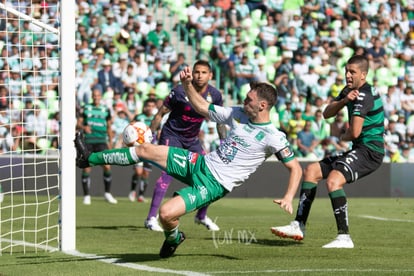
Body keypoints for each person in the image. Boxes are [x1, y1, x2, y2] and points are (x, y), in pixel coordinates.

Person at [74, 75, 303, 258]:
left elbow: (296, 168)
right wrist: (186, 85)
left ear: (263, 105)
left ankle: (173, 238)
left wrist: (288, 196)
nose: (244, 101)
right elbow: (203, 107)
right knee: (146, 149)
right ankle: (88, 158)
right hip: (200, 163)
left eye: (249, 99)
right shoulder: (238, 114)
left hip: (214, 184)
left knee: (166, 214)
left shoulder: (274, 137)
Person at [271, 55, 385, 248]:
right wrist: (343, 101)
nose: (348, 75)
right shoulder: (350, 91)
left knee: (333, 180)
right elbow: (326, 113)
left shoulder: (364, 96)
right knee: (311, 171)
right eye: (347, 71)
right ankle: (299, 225)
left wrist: (342, 137)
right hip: (360, 149)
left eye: (352, 72)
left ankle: (344, 237)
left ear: (363, 75)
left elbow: (355, 132)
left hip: (370, 152)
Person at [145, 60, 227, 232]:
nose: (199, 75)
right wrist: (151, 135)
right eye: (197, 72)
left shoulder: (215, 95)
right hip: (172, 135)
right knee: (167, 173)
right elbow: (160, 114)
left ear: (210, 75)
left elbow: (220, 121)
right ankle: (151, 218)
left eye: (204, 72)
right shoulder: (179, 91)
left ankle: (201, 215)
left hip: (192, 140)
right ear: (192, 73)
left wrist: (224, 142)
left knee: (210, 175)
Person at [76, 88, 117, 205]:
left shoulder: (105, 110)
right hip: (88, 141)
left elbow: (109, 127)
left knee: (107, 166)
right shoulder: (86, 108)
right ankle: (86, 195)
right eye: (94, 95)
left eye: (98, 95)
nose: (96, 97)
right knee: (87, 167)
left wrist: (110, 142)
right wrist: (84, 128)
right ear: (92, 96)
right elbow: (79, 123)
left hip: (101, 141)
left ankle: (107, 193)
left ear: (101, 97)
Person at [129, 98, 158, 203]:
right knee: (138, 171)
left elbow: (159, 132)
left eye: (152, 106)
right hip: (139, 148)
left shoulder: (156, 119)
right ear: (145, 107)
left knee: (146, 173)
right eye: (148, 106)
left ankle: (141, 195)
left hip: (151, 149)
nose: (150, 108)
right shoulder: (139, 117)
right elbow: (131, 128)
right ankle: (132, 191)